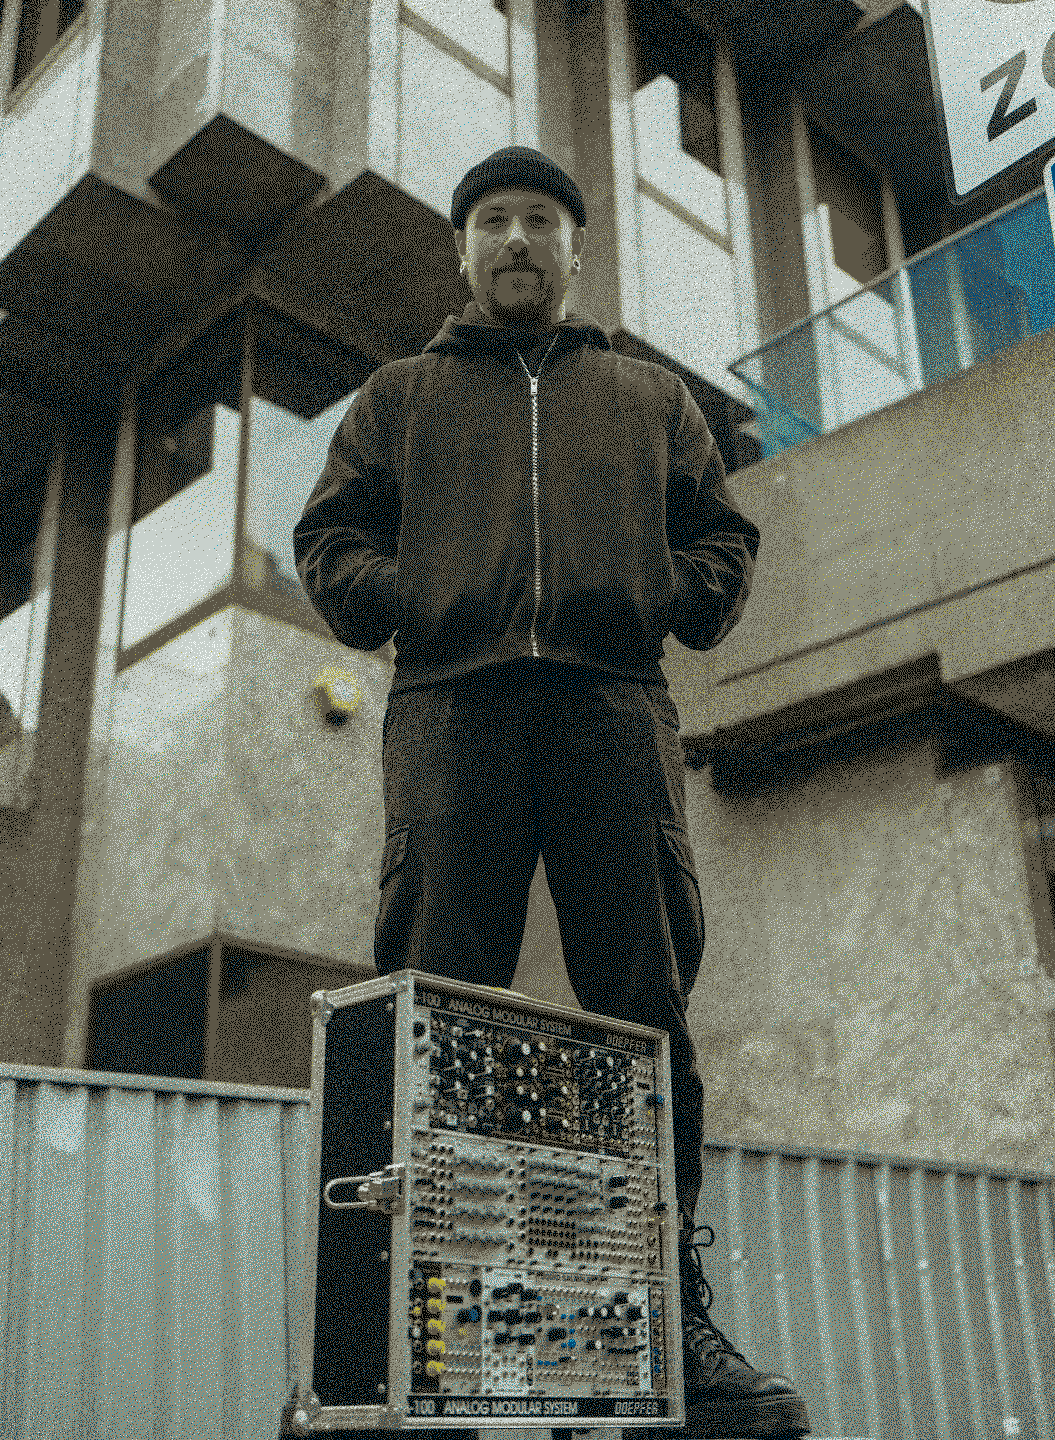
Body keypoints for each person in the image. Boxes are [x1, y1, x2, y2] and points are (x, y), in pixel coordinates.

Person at [294, 146, 811, 1438]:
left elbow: (721, 536)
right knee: (430, 990)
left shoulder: (647, 397)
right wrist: (413, 600)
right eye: (492, 221)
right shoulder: (400, 395)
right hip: (451, 705)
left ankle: (675, 1316)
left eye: (538, 219)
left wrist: (664, 600)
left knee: (642, 1003)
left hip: (611, 707)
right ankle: (394, 1326)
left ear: (575, 248)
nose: (516, 238)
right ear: (465, 251)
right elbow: (330, 538)